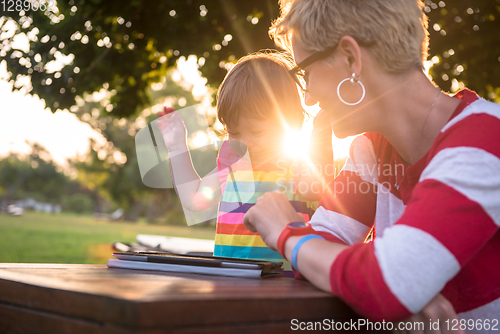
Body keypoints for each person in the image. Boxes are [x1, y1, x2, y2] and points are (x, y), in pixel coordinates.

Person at [243, 0, 500, 331]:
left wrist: (287, 235)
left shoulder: (485, 138)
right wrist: (394, 284)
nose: (307, 98)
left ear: (351, 59)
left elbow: (388, 281)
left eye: (306, 72)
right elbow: (325, 241)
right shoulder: (370, 149)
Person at [158, 52, 334, 268]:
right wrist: (177, 147)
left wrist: (322, 132)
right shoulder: (233, 166)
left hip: (283, 284)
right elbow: (194, 199)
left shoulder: (297, 165)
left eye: (257, 133)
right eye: (234, 133)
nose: (246, 143)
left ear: (291, 123)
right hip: (230, 280)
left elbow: (314, 188)